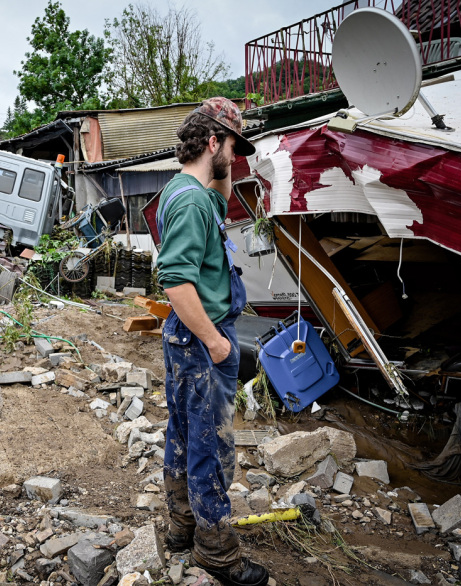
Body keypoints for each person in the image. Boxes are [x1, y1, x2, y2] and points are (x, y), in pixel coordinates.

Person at [156, 97, 269, 586]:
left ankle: (181, 526)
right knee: (210, 445)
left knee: (182, 434)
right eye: (230, 146)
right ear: (210, 142)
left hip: (186, 339)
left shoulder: (190, 193)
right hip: (202, 341)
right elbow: (176, 281)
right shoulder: (190, 202)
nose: (235, 156)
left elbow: (220, 195)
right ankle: (217, 553)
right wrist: (218, 345)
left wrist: (226, 155)